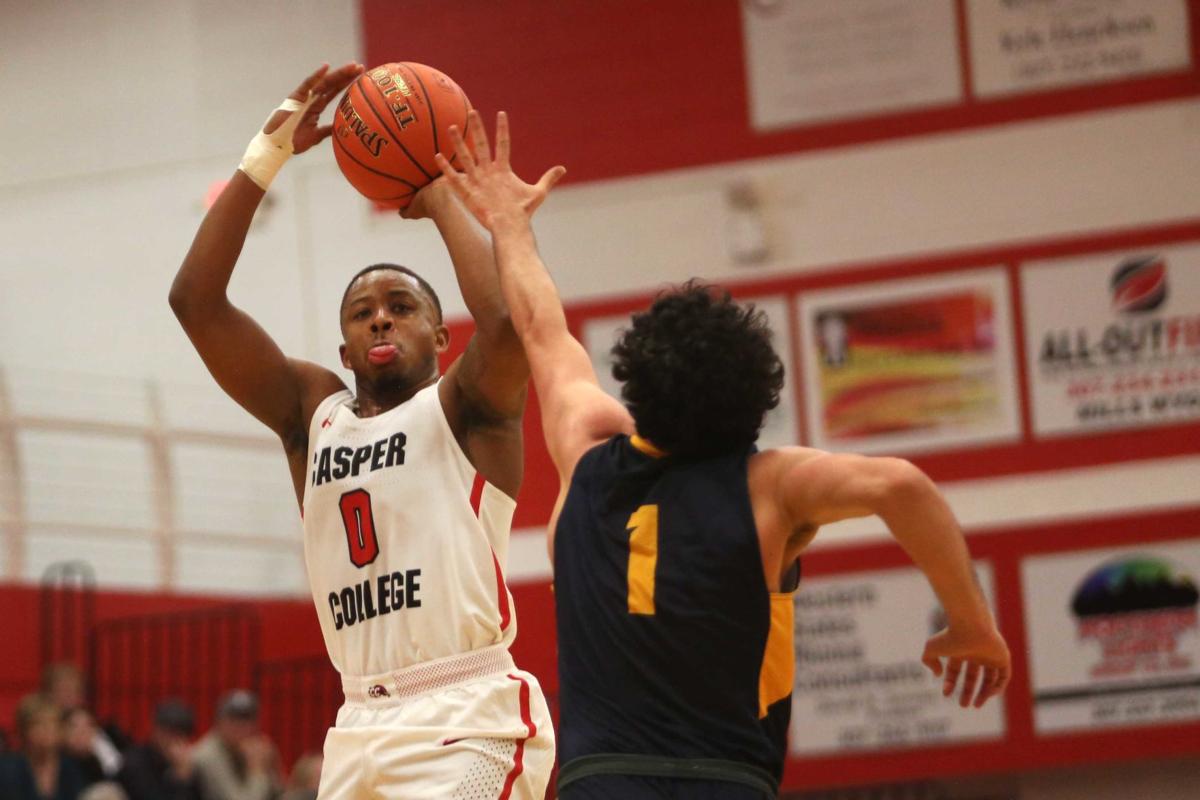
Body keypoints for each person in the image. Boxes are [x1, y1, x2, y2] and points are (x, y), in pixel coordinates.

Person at [435, 111, 1013, 799]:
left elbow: (538, 324)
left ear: (637, 384)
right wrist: (972, 625)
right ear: (755, 401)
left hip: (602, 784)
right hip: (726, 781)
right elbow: (902, 484)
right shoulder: (772, 486)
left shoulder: (586, 452)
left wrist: (509, 224)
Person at [169, 64, 553, 799]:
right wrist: (265, 158)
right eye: (363, 310)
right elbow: (195, 302)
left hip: (469, 714)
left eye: (402, 305)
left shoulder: (468, 408)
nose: (381, 315)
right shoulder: (313, 414)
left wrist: (437, 192)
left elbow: (508, 324)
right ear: (344, 352)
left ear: (442, 334)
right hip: (357, 726)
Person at [189, 690, 280, 800]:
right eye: (233, 719)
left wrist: (272, 768)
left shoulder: (251, 749)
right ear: (218, 721)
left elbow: (280, 795)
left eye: (247, 719)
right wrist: (257, 771)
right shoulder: (207, 755)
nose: (240, 726)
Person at [0, 694, 86, 800]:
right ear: (24, 730)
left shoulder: (72, 767)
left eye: (52, 723)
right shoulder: (6, 769)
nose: (46, 731)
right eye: (39, 724)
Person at [116, 698, 195, 800]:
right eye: (171, 734)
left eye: (182, 735)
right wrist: (179, 779)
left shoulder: (187, 764)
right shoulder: (135, 763)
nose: (177, 742)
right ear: (156, 731)